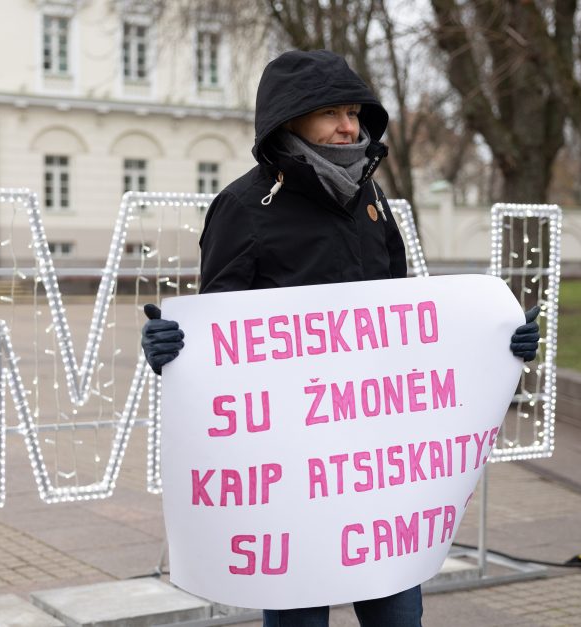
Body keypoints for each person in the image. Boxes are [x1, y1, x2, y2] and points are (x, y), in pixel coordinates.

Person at [141, 49, 540, 627]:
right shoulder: (243, 207)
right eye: (330, 112)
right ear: (288, 117)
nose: (349, 127)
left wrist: (497, 342)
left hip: (375, 473)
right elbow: (218, 338)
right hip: (290, 477)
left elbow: (406, 326)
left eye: (354, 112)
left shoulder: (372, 201)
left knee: (399, 617)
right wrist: (173, 354)